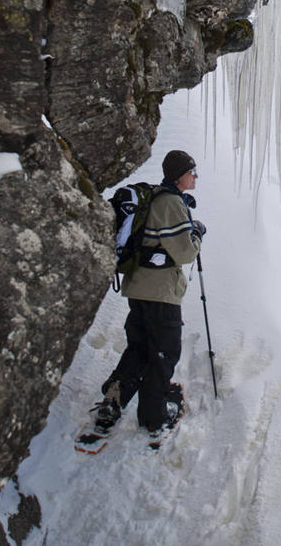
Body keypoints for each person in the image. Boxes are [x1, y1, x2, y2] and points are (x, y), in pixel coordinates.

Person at [94, 149, 206, 435]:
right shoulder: (170, 202)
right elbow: (184, 251)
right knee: (164, 352)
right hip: (160, 291)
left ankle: (114, 399)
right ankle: (154, 416)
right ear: (180, 175)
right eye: (192, 172)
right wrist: (197, 234)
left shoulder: (157, 196)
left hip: (139, 286)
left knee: (140, 346)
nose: (195, 177)